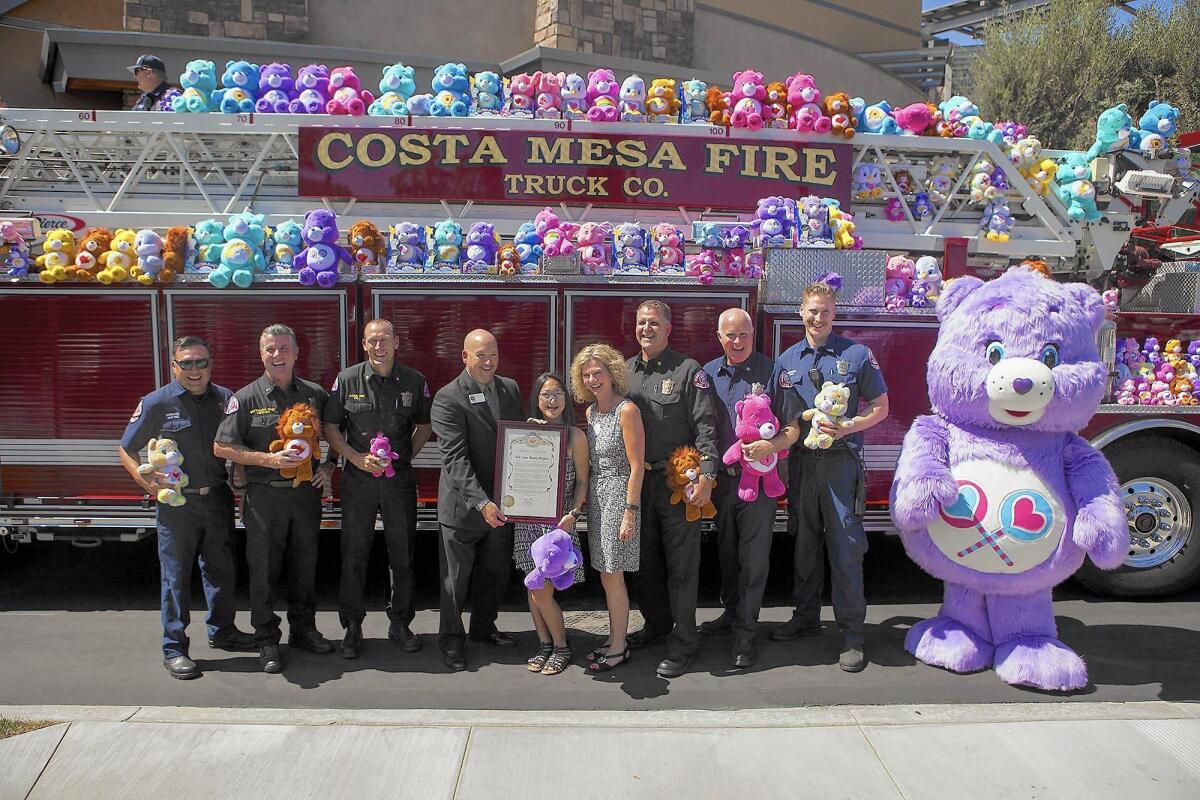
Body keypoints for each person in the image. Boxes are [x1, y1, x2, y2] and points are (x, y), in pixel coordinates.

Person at [118, 336, 256, 680]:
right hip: (177, 506)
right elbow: (125, 448)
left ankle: (223, 631)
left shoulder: (226, 399)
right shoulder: (155, 403)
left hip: (217, 498)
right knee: (176, 578)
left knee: (222, 570)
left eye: (202, 362)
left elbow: (238, 443)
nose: (196, 370)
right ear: (174, 366)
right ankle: (174, 648)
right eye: (188, 363)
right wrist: (147, 483)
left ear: (211, 364)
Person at [774, 281, 890, 672]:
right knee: (804, 546)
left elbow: (881, 407)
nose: (817, 317)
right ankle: (805, 618)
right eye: (811, 310)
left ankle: (852, 636)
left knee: (845, 549)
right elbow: (787, 418)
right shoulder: (787, 359)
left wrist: (850, 426)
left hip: (841, 465)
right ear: (800, 312)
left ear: (834, 314)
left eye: (825, 311)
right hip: (803, 465)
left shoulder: (856, 354)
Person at [213, 324, 336, 674]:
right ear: (261, 354)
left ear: (297, 353)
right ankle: (267, 640)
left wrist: (329, 467)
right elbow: (222, 446)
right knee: (264, 572)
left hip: (305, 498)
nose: (277, 355)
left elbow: (338, 434)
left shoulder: (314, 395)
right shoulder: (246, 397)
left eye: (284, 348)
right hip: (264, 499)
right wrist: (266, 459)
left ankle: (303, 630)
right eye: (270, 349)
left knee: (305, 567)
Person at [699, 308, 802, 668]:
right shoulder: (708, 373)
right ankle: (731, 614)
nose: (737, 342)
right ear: (719, 337)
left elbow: (793, 427)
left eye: (743, 335)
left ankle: (746, 635)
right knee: (726, 555)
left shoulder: (772, 372)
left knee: (753, 561)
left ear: (752, 335)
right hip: (723, 485)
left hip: (758, 486)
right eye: (730, 335)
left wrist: (771, 447)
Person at [323, 319, 432, 659]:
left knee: (402, 556)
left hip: (398, 483)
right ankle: (352, 628)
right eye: (372, 341)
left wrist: (404, 458)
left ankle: (400, 623)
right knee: (354, 555)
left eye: (385, 339)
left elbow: (425, 424)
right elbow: (330, 426)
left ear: (397, 342)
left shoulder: (414, 381)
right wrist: (354, 458)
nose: (379, 346)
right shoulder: (347, 380)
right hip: (358, 483)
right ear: (364, 345)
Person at [623, 300, 718, 678]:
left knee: (682, 568)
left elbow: (706, 428)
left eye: (654, 323)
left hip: (676, 483)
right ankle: (657, 624)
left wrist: (708, 476)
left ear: (668, 329)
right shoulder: (625, 372)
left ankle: (683, 645)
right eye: (641, 323)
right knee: (645, 563)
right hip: (637, 482)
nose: (647, 329)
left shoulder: (687, 371)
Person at [431, 328, 523, 672]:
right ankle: (452, 642)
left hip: (503, 505)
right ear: (465, 356)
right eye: (480, 355)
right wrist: (482, 502)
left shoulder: (509, 388)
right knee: (455, 581)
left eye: (493, 354)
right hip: (465, 509)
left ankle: (484, 629)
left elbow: (519, 438)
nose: (488, 362)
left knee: (495, 574)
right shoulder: (448, 397)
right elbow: (455, 459)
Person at [572, 344, 644, 673]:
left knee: (614, 575)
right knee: (604, 574)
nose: (592, 379)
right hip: (598, 500)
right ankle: (615, 637)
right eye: (586, 375)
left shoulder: (626, 410)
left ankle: (619, 645)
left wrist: (629, 511)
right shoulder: (590, 413)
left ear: (612, 372)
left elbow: (637, 465)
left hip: (619, 496)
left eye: (598, 372)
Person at [512, 372, 589, 676]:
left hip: (558, 523)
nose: (552, 400)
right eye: (545, 395)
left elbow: (583, 480)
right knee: (532, 587)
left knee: (542, 590)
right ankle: (544, 644)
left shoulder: (576, 436)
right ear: (537, 400)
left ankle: (562, 647)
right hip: (528, 521)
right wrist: (525, 439)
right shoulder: (524, 433)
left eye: (558, 394)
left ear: (566, 399)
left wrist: (574, 514)